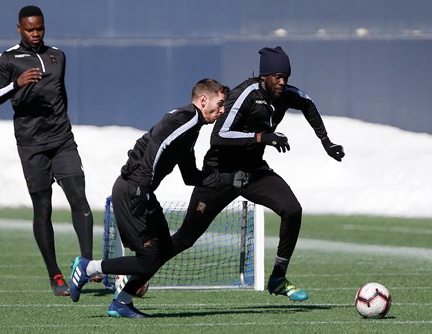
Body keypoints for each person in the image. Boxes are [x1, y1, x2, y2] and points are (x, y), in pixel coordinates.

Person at [138, 46, 345, 303]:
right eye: (277, 77)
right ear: (263, 76)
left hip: (253, 173)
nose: (282, 82)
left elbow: (308, 104)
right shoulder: (245, 94)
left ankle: (278, 277)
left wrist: (327, 143)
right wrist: (261, 137)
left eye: (286, 77)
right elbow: (219, 136)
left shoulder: (285, 94)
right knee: (185, 238)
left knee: (292, 209)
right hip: (218, 174)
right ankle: (138, 274)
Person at [68, 78, 228, 318]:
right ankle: (87, 267)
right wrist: (141, 187)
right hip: (132, 190)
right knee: (147, 260)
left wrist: (222, 177)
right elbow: (156, 143)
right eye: (221, 103)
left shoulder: (192, 128)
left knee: (163, 250)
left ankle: (121, 303)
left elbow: (189, 175)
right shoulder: (187, 118)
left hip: (141, 189)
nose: (222, 110)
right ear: (204, 100)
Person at [0, 5, 97, 296]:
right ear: (19, 29)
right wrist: (16, 83)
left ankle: (86, 264)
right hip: (32, 146)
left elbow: (61, 94)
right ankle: (55, 276)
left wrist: (60, 123)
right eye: (30, 29)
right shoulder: (9, 58)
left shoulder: (58, 55)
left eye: (40, 29)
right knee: (43, 209)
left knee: (79, 200)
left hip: (62, 141)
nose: (36, 34)